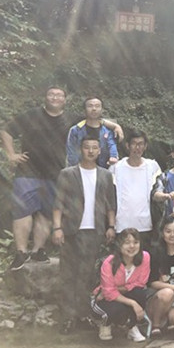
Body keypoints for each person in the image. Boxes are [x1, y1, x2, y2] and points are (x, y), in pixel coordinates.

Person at [1, 86, 123, 271]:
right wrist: (11, 154)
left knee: (46, 213)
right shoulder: (32, 115)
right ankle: (20, 252)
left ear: (65, 99)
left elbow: (94, 119)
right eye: (51, 94)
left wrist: (115, 126)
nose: (55, 97)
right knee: (22, 212)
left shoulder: (72, 119)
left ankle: (38, 250)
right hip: (27, 171)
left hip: (55, 173)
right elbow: (6, 130)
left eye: (59, 95)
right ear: (45, 97)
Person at [52, 135, 116, 335]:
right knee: (68, 274)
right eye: (87, 147)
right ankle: (68, 317)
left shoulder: (105, 175)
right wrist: (57, 228)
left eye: (94, 147)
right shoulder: (67, 174)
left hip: (94, 231)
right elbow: (58, 202)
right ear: (81, 149)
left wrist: (111, 226)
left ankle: (83, 315)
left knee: (86, 275)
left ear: (99, 151)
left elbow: (111, 203)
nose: (90, 151)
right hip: (71, 230)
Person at [91, 228, 150, 342]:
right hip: (105, 299)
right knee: (116, 309)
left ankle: (132, 326)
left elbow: (141, 282)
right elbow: (108, 293)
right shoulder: (109, 263)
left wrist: (117, 289)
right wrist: (132, 303)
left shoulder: (145, 257)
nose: (132, 246)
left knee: (139, 293)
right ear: (119, 245)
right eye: (127, 243)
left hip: (117, 293)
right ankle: (105, 323)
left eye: (135, 242)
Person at [111, 130, 162, 251]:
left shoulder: (152, 166)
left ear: (145, 146)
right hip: (122, 225)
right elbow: (110, 198)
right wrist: (111, 225)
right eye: (134, 143)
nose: (137, 147)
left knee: (144, 259)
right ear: (127, 145)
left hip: (146, 225)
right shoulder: (116, 168)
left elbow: (158, 190)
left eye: (141, 144)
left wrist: (164, 196)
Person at [146, 216, 174, 337]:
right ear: (162, 232)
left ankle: (166, 321)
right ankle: (156, 325)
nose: (172, 235)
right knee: (167, 293)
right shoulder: (154, 253)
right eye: (168, 231)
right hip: (157, 297)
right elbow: (152, 282)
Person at [66, 96, 118, 168]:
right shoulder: (76, 130)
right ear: (84, 109)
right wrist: (75, 170)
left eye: (97, 106)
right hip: (81, 170)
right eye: (90, 106)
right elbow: (72, 153)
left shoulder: (108, 130)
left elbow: (112, 145)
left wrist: (113, 156)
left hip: (103, 170)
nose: (94, 109)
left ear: (102, 109)